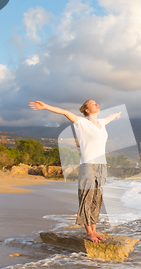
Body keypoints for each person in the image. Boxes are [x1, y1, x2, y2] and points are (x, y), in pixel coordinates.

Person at [29, 100, 122, 242]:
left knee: (97, 198)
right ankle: (88, 232)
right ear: (87, 110)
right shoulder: (81, 123)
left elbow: (109, 117)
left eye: (96, 102)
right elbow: (65, 112)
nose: (96, 104)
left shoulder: (102, 123)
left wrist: (116, 114)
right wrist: (46, 106)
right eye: (92, 103)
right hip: (88, 164)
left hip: (102, 165)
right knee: (86, 197)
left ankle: (94, 231)